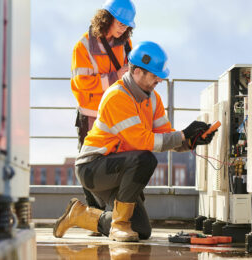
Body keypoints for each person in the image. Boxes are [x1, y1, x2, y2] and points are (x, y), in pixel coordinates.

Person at [54, 41, 215, 242]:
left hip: (119, 169)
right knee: (146, 159)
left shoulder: (153, 98)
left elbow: (165, 134)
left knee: (141, 230)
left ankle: (80, 215)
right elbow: (142, 141)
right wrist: (182, 135)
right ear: (138, 72)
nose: (159, 79)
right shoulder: (117, 97)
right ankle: (119, 226)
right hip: (93, 167)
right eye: (155, 75)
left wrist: (191, 141)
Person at [70, 0, 136, 228]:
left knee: (116, 160)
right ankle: (93, 216)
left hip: (116, 112)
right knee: (90, 163)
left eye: (127, 25)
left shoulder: (125, 42)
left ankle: (106, 216)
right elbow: (81, 84)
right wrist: (115, 76)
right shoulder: (83, 46)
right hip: (91, 114)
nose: (123, 28)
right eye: (120, 23)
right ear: (106, 18)